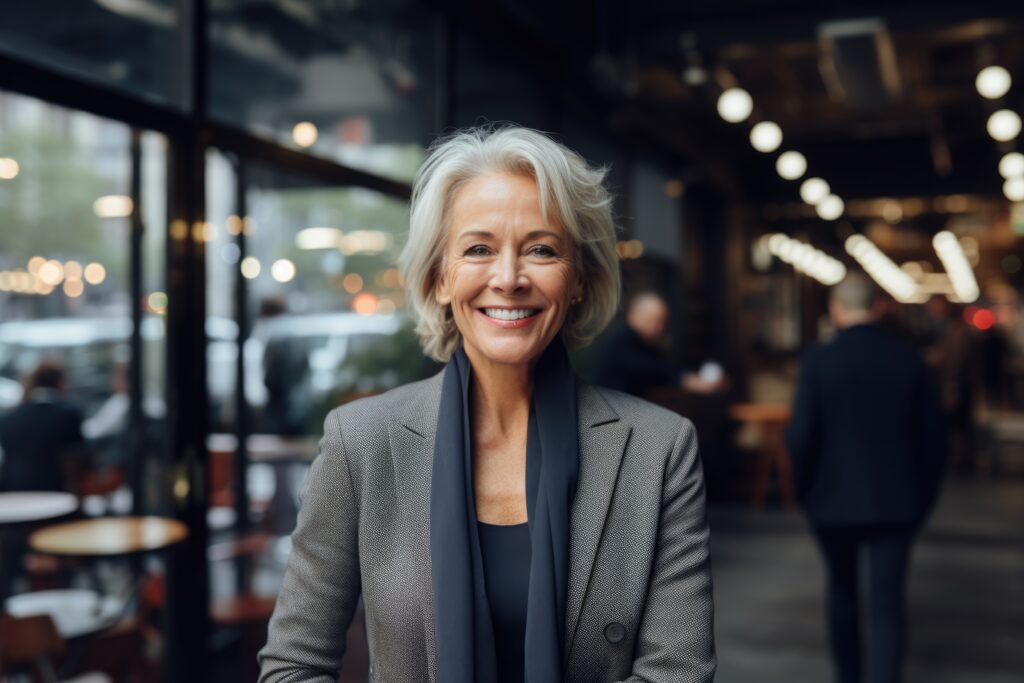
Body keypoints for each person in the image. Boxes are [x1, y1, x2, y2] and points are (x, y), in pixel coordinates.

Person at [259, 126, 715, 682]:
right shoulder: (361, 443)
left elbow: (680, 673)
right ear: (439, 278)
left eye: (541, 250)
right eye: (478, 249)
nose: (508, 278)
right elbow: (294, 665)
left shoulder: (659, 449)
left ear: (578, 280)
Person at [787, 274, 947, 683]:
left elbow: (801, 436)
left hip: (831, 501)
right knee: (888, 605)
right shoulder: (911, 360)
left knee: (842, 593)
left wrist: (804, 493)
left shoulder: (817, 361)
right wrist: (921, 501)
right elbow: (933, 442)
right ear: (878, 308)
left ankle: (848, 677)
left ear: (835, 309)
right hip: (898, 501)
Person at [0, 359, 86, 492]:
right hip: (56, 493)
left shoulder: (9, 418)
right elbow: (79, 456)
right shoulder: (68, 414)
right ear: (60, 383)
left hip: (14, 493)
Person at [593, 291, 682, 397]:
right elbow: (648, 368)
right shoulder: (620, 342)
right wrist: (682, 378)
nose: (660, 328)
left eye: (662, 322)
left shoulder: (648, 343)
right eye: (654, 320)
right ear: (634, 315)